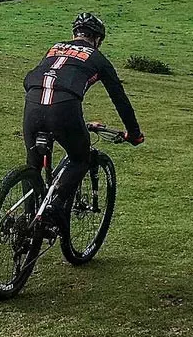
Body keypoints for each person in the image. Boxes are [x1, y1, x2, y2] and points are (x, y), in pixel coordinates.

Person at [22, 12, 144, 228]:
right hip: (64, 109)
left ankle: (27, 220)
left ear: (74, 34)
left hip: (32, 104)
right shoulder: (98, 58)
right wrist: (133, 133)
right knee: (81, 158)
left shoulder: (54, 48)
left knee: (33, 166)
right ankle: (54, 207)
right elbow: (119, 99)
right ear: (98, 39)